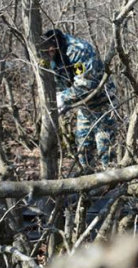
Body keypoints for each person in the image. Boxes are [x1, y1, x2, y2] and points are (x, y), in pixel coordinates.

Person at [39, 29, 117, 172]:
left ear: (52, 48)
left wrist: (63, 98)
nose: (46, 58)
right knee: (83, 147)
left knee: (105, 149)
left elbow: (86, 85)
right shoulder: (52, 56)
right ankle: (87, 183)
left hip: (103, 103)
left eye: (47, 54)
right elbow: (58, 80)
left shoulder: (78, 51)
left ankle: (112, 183)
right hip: (85, 106)